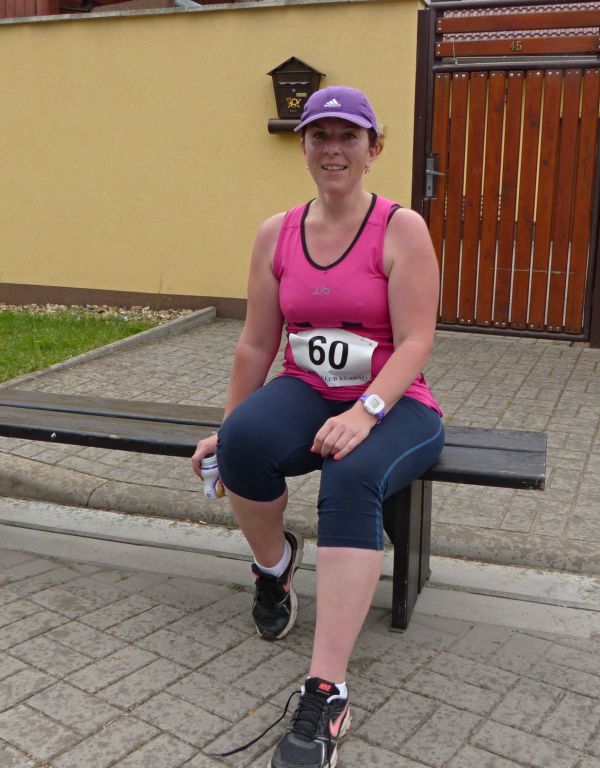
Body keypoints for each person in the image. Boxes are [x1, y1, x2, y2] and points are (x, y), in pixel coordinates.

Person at [192, 85, 444, 768]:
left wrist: (366, 412)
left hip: (396, 402)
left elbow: (417, 340)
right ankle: (275, 567)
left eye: (348, 137)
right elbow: (256, 343)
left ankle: (327, 690)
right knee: (244, 443)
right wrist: (226, 427)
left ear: (373, 149)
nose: (333, 150)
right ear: (303, 146)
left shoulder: (401, 229)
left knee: (351, 473)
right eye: (320, 136)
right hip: (308, 389)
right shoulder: (276, 233)